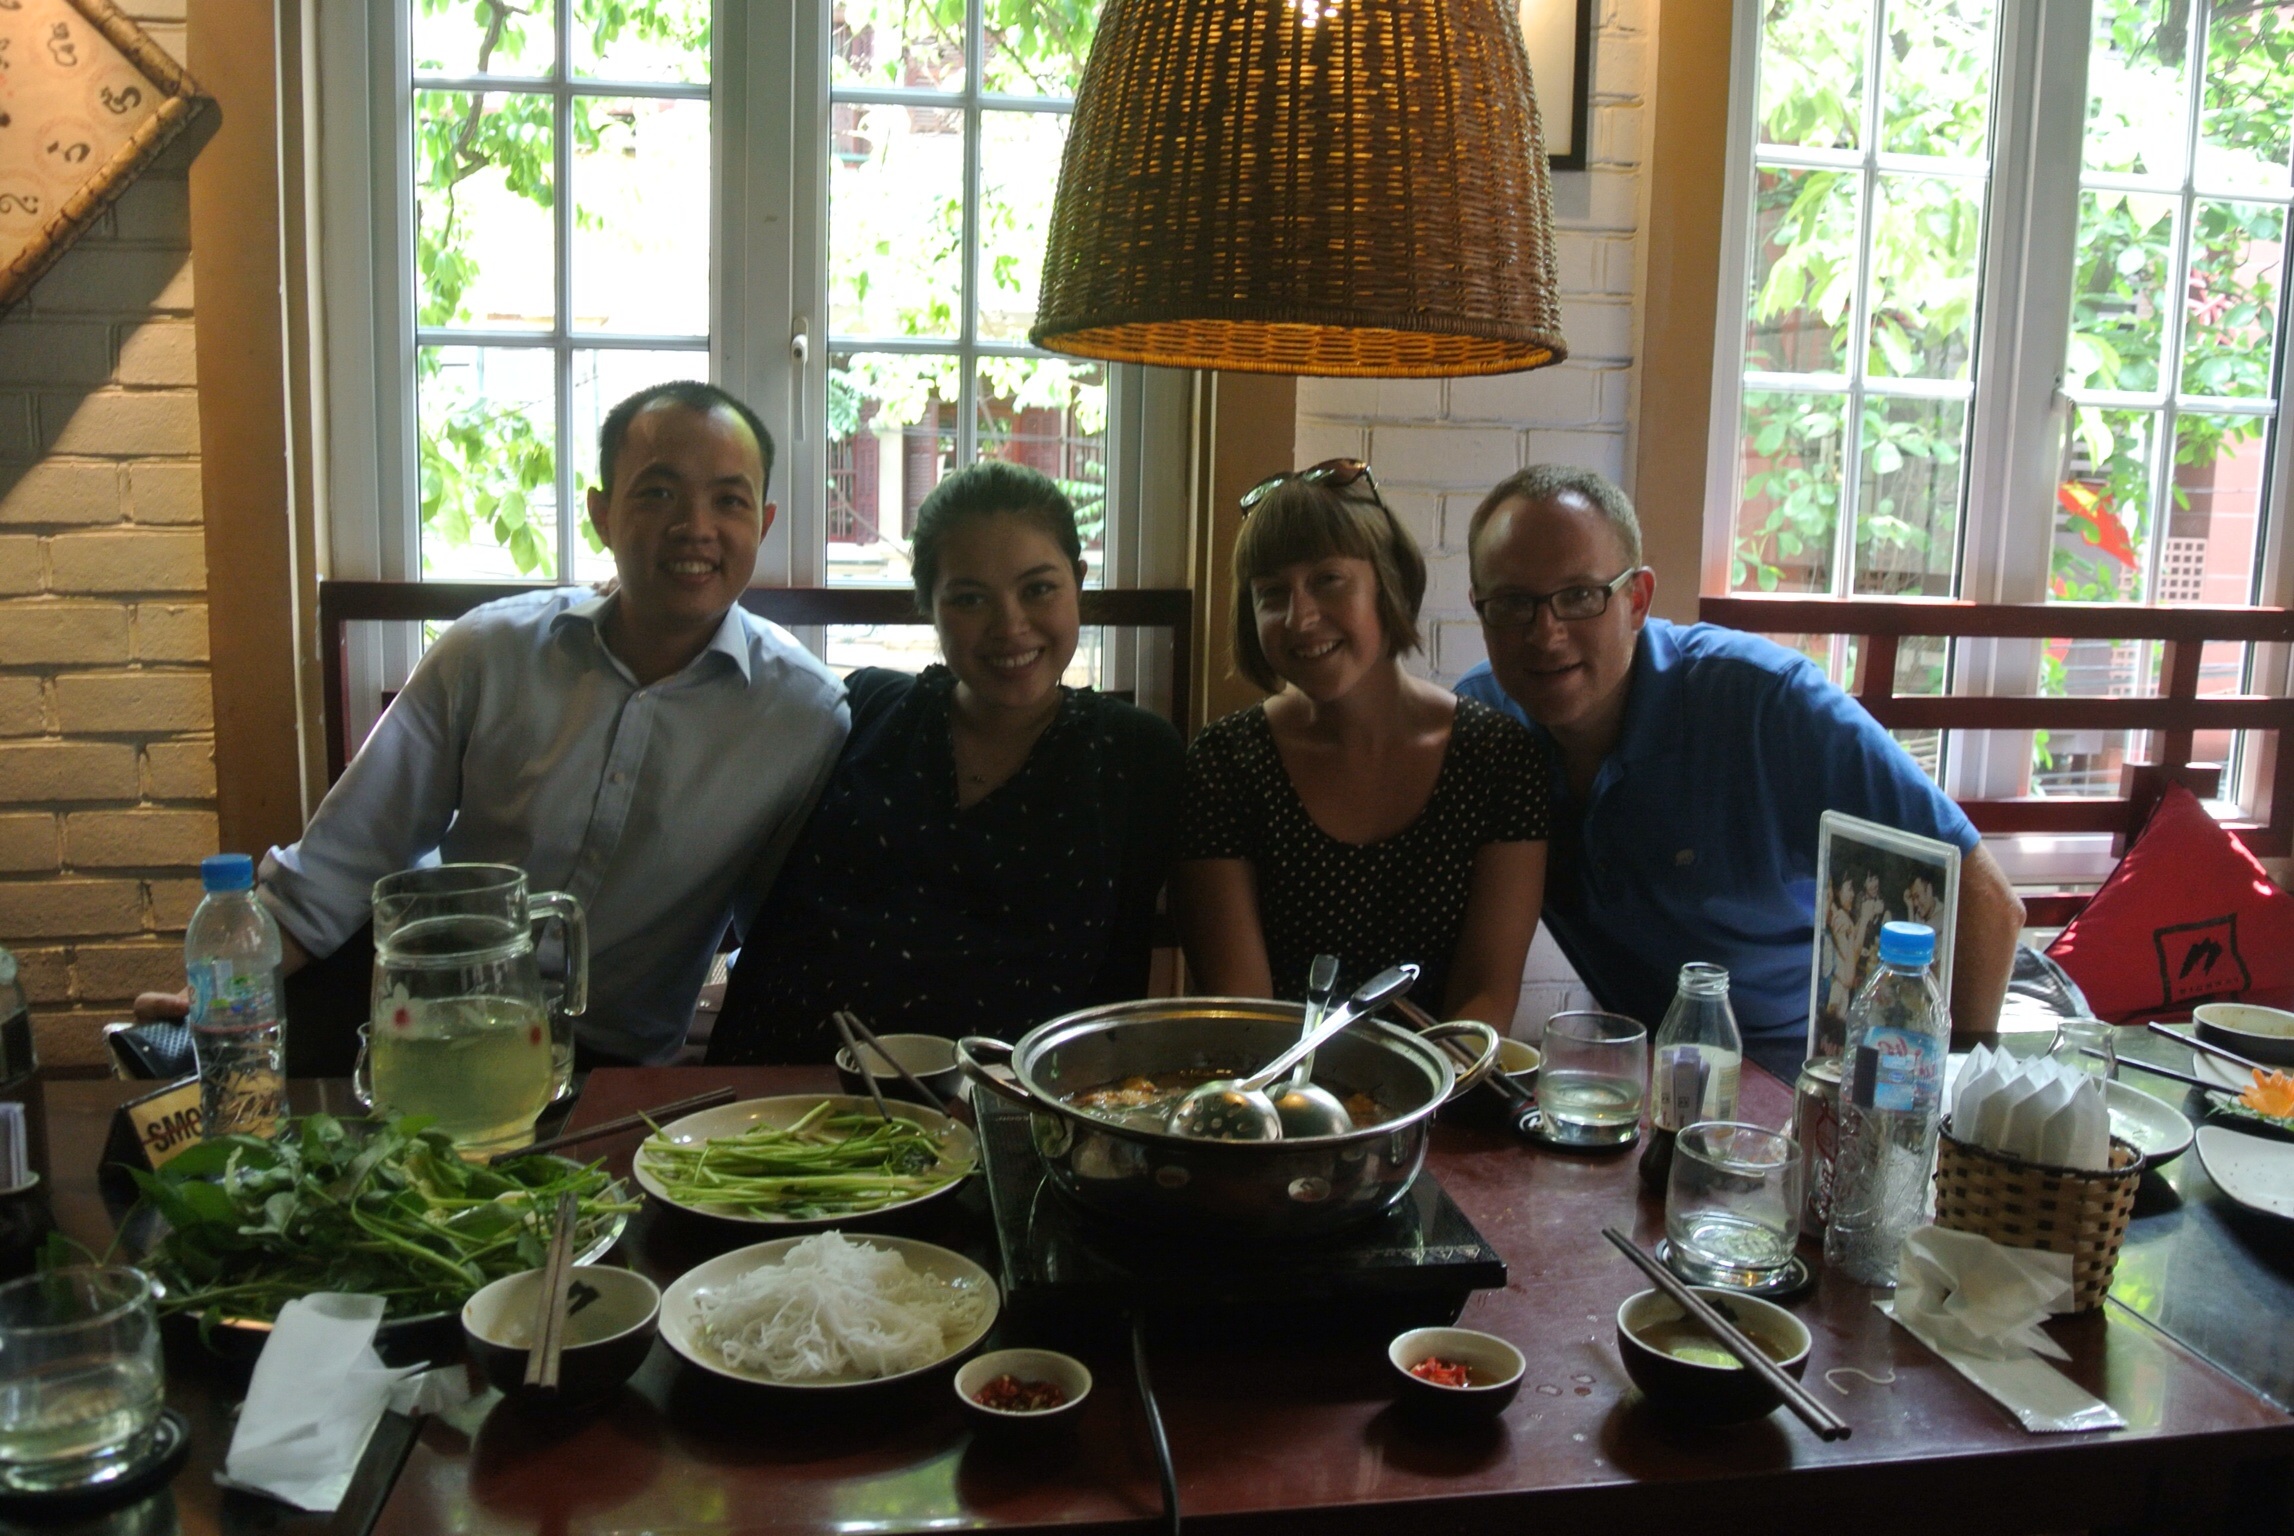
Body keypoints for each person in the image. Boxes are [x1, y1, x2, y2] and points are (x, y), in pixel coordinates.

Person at [137, 381, 850, 1066]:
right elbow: (347, 857)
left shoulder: (803, 717)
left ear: (763, 524)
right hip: (424, 1018)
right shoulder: (491, 650)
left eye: (729, 500)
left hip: (608, 1057)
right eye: (658, 493)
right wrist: (227, 991)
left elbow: (781, 936)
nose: (695, 527)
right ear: (602, 513)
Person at [1454, 464, 2025, 1080]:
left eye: (1579, 596)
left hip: (1805, 1077)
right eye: (1512, 604)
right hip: (1657, 1079)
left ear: (1637, 599)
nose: (1545, 634)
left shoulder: (1767, 706)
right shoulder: (1485, 728)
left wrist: (1954, 1104)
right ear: (1480, 610)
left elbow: (1986, 902)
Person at [706, 461, 1184, 1063]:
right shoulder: (864, 710)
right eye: (969, 598)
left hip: (1005, 1100)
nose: (1010, 626)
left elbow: (1120, 981)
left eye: (1038, 589)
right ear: (928, 606)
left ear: (1078, 583)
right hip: (785, 1082)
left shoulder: (1136, 756)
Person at [1172, 460, 1549, 1025]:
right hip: (1272, 1075)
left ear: (1388, 579)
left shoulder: (1499, 758)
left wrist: (1427, 1082)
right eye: (1272, 593)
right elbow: (1243, 1008)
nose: (1299, 619)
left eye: (1327, 579)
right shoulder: (1224, 764)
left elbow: (1485, 998)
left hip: (1443, 1076)